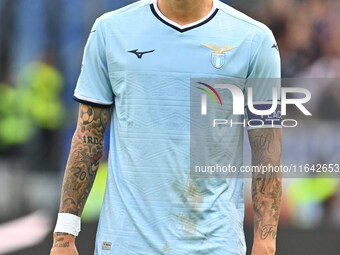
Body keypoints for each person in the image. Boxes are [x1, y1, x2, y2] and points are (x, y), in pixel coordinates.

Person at [50, 0, 282, 254]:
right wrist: (65, 232)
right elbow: (88, 136)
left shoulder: (255, 40)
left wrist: (266, 240)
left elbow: (266, 148)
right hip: (126, 243)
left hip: (215, 244)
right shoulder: (109, 30)